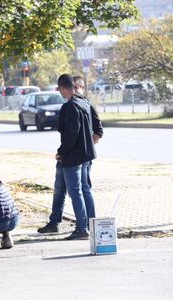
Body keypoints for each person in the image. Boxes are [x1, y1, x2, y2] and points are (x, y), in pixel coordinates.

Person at [38, 76, 103, 235]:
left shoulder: (70, 106)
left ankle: (82, 229)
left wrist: (61, 152)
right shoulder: (84, 103)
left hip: (73, 157)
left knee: (76, 192)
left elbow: (71, 135)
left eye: (59, 89)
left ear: (62, 87)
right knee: (84, 190)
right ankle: (90, 224)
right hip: (85, 156)